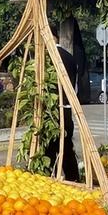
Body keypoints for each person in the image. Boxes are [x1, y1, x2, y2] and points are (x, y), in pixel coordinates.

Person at [43, 23, 80, 182]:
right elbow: (75, 89)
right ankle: (74, 179)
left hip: (50, 111)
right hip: (66, 109)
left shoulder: (45, 58)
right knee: (66, 148)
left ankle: (46, 180)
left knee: (48, 149)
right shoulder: (70, 58)